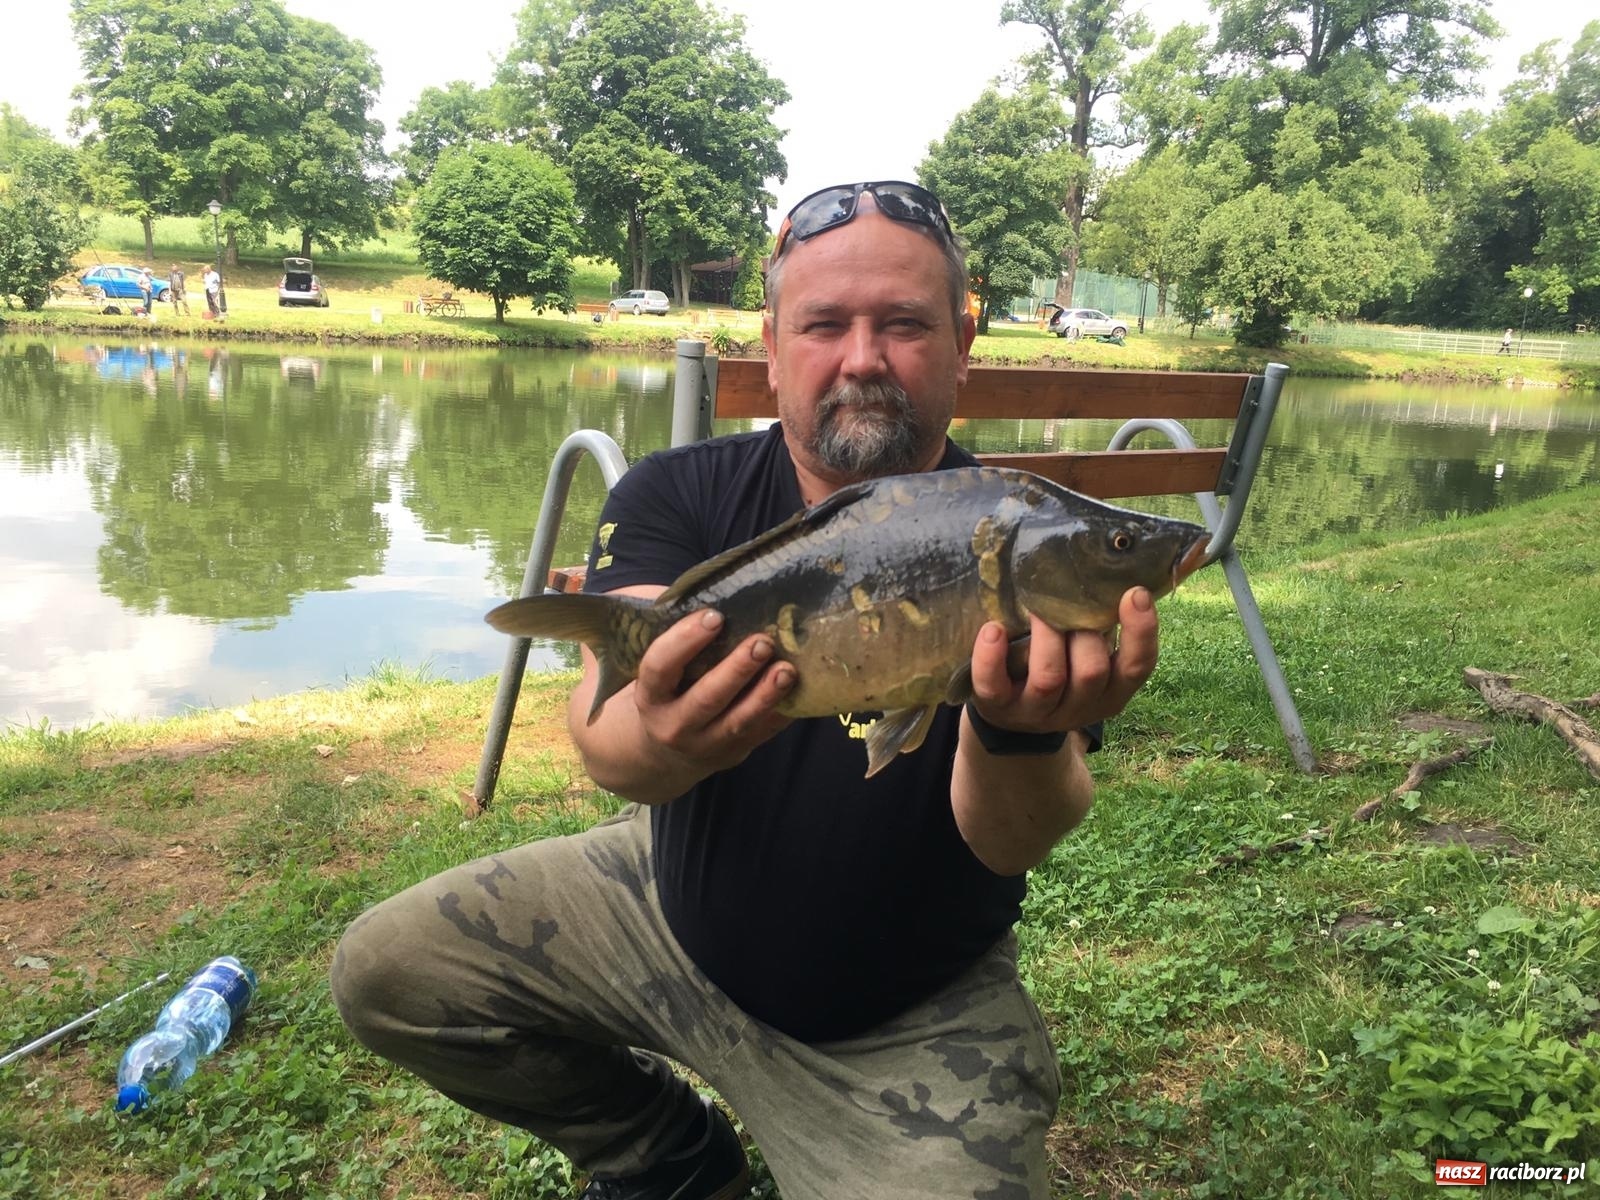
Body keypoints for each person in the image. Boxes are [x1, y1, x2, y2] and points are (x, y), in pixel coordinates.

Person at [331, 180, 1161, 1200]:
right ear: (771, 347)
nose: (863, 358)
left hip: (899, 1012)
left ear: (961, 342)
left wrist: (1023, 734)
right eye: (824, 325)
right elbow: (610, 748)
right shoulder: (675, 494)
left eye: (903, 324)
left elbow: (1010, 841)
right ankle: (666, 1158)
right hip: (664, 913)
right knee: (386, 972)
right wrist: (671, 739)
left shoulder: (1017, 537)